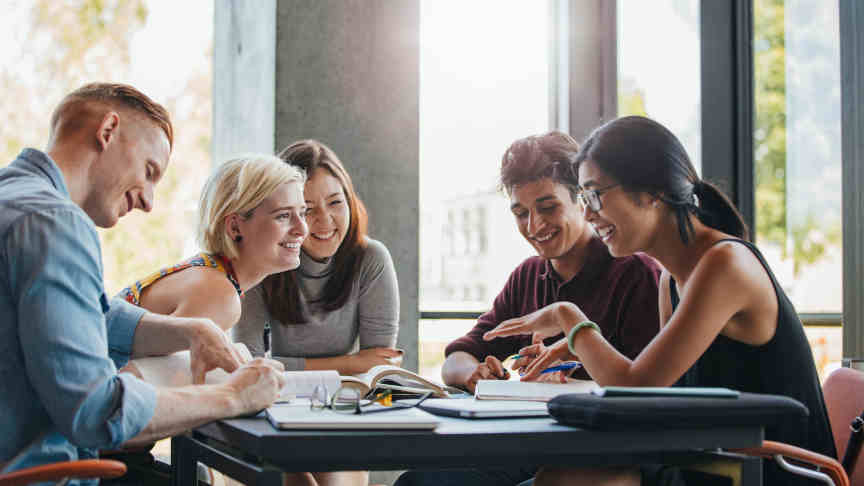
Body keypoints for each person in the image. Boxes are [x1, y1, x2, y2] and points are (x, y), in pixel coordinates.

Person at [484, 116, 836, 486]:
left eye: (596, 195)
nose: (588, 213)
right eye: (585, 198)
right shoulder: (672, 277)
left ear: (652, 191)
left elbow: (634, 390)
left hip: (771, 471)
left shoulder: (724, 265)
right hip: (715, 461)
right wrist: (579, 351)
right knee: (557, 477)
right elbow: (657, 397)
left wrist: (568, 317)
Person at [0, 83, 286, 485]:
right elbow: (96, 412)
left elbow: (80, 316)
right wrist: (232, 395)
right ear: (108, 131)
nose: (149, 201)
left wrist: (190, 330)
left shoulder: (13, 200)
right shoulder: (55, 223)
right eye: (150, 171)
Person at [394, 131, 662, 486]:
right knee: (418, 482)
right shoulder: (528, 275)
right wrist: (474, 374)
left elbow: (647, 390)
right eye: (521, 213)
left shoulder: (635, 273)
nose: (534, 226)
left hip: (604, 456)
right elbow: (457, 357)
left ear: (582, 200)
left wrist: (570, 377)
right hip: (531, 449)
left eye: (548, 208)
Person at [232, 139, 400, 486]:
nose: (324, 221)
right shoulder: (262, 260)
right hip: (270, 412)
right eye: (307, 209)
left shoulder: (371, 259)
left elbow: (378, 368)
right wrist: (350, 363)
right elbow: (248, 365)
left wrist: (294, 366)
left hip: (343, 412)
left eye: (336, 202)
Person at [118, 154, 308, 335]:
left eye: (303, 213)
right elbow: (139, 367)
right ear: (234, 227)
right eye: (283, 216)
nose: (302, 229)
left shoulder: (212, 274)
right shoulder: (218, 295)